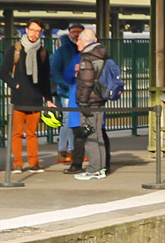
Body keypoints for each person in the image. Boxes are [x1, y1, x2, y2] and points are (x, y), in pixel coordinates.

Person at [6, 19, 55, 173]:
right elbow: (3, 72)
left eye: (38, 31)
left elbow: (46, 78)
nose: (34, 34)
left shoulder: (43, 52)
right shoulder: (16, 49)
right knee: (17, 133)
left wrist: (48, 99)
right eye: (32, 30)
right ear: (26, 30)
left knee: (32, 134)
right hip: (19, 98)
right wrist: (15, 84)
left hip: (35, 98)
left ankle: (34, 163)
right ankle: (18, 163)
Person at [72, 26, 111, 180]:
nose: (77, 43)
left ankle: (93, 169)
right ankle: (101, 168)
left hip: (90, 101)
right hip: (100, 99)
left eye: (78, 40)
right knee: (98, 134)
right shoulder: (103, 55)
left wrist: (82, 101)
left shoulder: (87, 57)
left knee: (90, 136)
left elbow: (87, 81)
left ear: (82, 41)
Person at [50, 23, 83, 164]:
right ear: (69, 34)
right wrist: (65, 84)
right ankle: (64, 150)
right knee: (67, 120)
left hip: (82, 91)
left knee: (78, 121)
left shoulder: (83, 49)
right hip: (66, 91)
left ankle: (74, 149)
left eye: (78, 32)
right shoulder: (62, 51)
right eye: (73, 32)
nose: (76, 35)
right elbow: (55, 71)